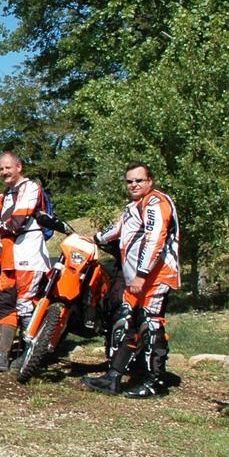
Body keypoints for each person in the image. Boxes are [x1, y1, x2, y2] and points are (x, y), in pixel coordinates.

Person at [83, 162, 181, 398]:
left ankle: (155, 381)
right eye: (130, 181)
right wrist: (93, 239)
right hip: (135, 279)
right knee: (125, 324)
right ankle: (114, 376)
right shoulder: (133, 207)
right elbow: (115, 230)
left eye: (139, 180)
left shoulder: (156, 202)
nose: (134, 185)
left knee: (151, 325)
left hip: (154, 278)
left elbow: (155, 238)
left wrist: (142, 274)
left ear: (150, 181)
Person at [0, 152, 52, 371]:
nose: (5, 172)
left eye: (9, 167)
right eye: (2, 168)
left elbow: (16, 223)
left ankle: (32, 355)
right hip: (10, 256)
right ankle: (1, 354)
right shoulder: (7, 194)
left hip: (29, 254)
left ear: (19, 167)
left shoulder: (31, 188)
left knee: (26, 304)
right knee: (4, 301)